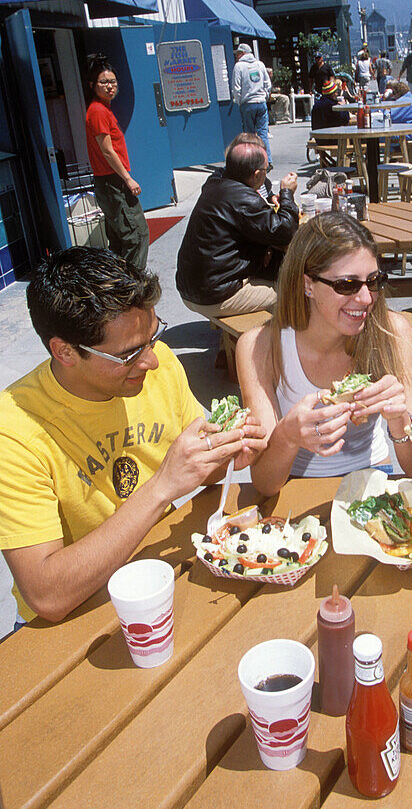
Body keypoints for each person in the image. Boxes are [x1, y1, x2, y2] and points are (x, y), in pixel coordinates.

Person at [0, 247, 267, 624]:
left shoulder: (156, 367)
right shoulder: (13, 432)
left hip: (159, 573)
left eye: (153, 337)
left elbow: (200, 472)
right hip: (75, 614)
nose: (152, 361)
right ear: (64, 352)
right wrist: (161, 488)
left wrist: (228, 452)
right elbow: (47, 595)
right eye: (129, 353)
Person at [236, 212, 412, 496]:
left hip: (373, 480)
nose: (365, 299)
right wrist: (288, 435)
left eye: (373, 281)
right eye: (346, 285)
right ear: (307, 284)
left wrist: (400, 422)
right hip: (294, 488)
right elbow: (264, 483)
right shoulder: (260, 346)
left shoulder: (393, 332)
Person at [176, 135, 298, 319]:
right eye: (267, 169)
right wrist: (287, 193)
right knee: (293, 290)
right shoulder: (244, 199)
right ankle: (269, 344)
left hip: (193, 287)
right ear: (257, 174)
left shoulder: (215, 183)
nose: (267, 173)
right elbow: (285, 233)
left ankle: (231, 343)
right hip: (215, 295)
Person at [85, 55, 150, 270]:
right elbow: (107, 151)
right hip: (112, 183)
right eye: (104, 82)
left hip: (110, 182)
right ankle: (132, 288)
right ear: (93, 85)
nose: (110, 86)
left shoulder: (104, 109)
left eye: (113, 81)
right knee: (136, 235)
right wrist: (128, 179)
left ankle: (118, 285)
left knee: (120, 240)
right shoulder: (97, 111)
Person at [232, 43, 272, 167]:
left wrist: (239, 102)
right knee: (262, 133)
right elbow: (268, 84)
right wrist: (264, 96)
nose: (237, 56)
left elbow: (236, 87)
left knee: (248, 136)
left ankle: (252, 161)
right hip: (261, 102)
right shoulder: (260, 64)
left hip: (247, 103)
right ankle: (267, 160)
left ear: (243, 53)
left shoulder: (239, 66)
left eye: (238, 53)